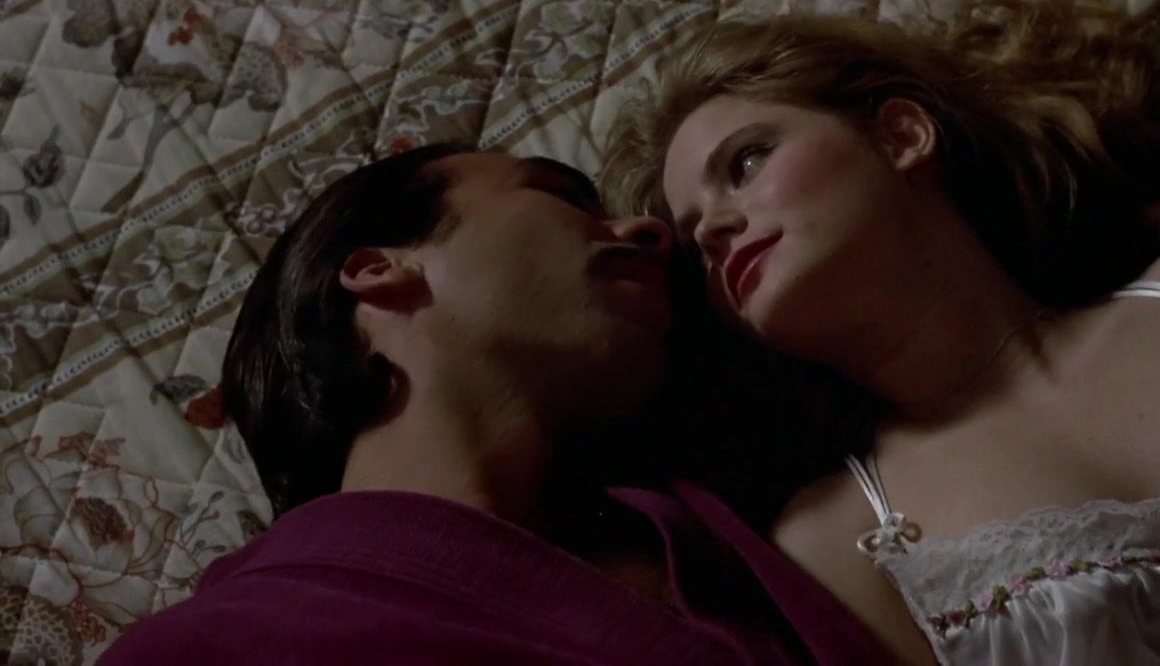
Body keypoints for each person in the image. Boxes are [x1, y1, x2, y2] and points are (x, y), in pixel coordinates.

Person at [600, 0, 1160, 665]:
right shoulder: (837, 542)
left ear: (903, 136)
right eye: (695, 240)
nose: (717, 227)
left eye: (747, 160)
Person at [99, 144, 887, 664]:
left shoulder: (723, 541)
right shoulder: (211, 650)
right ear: (379, 270)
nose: (648, 230)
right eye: (560, 195)